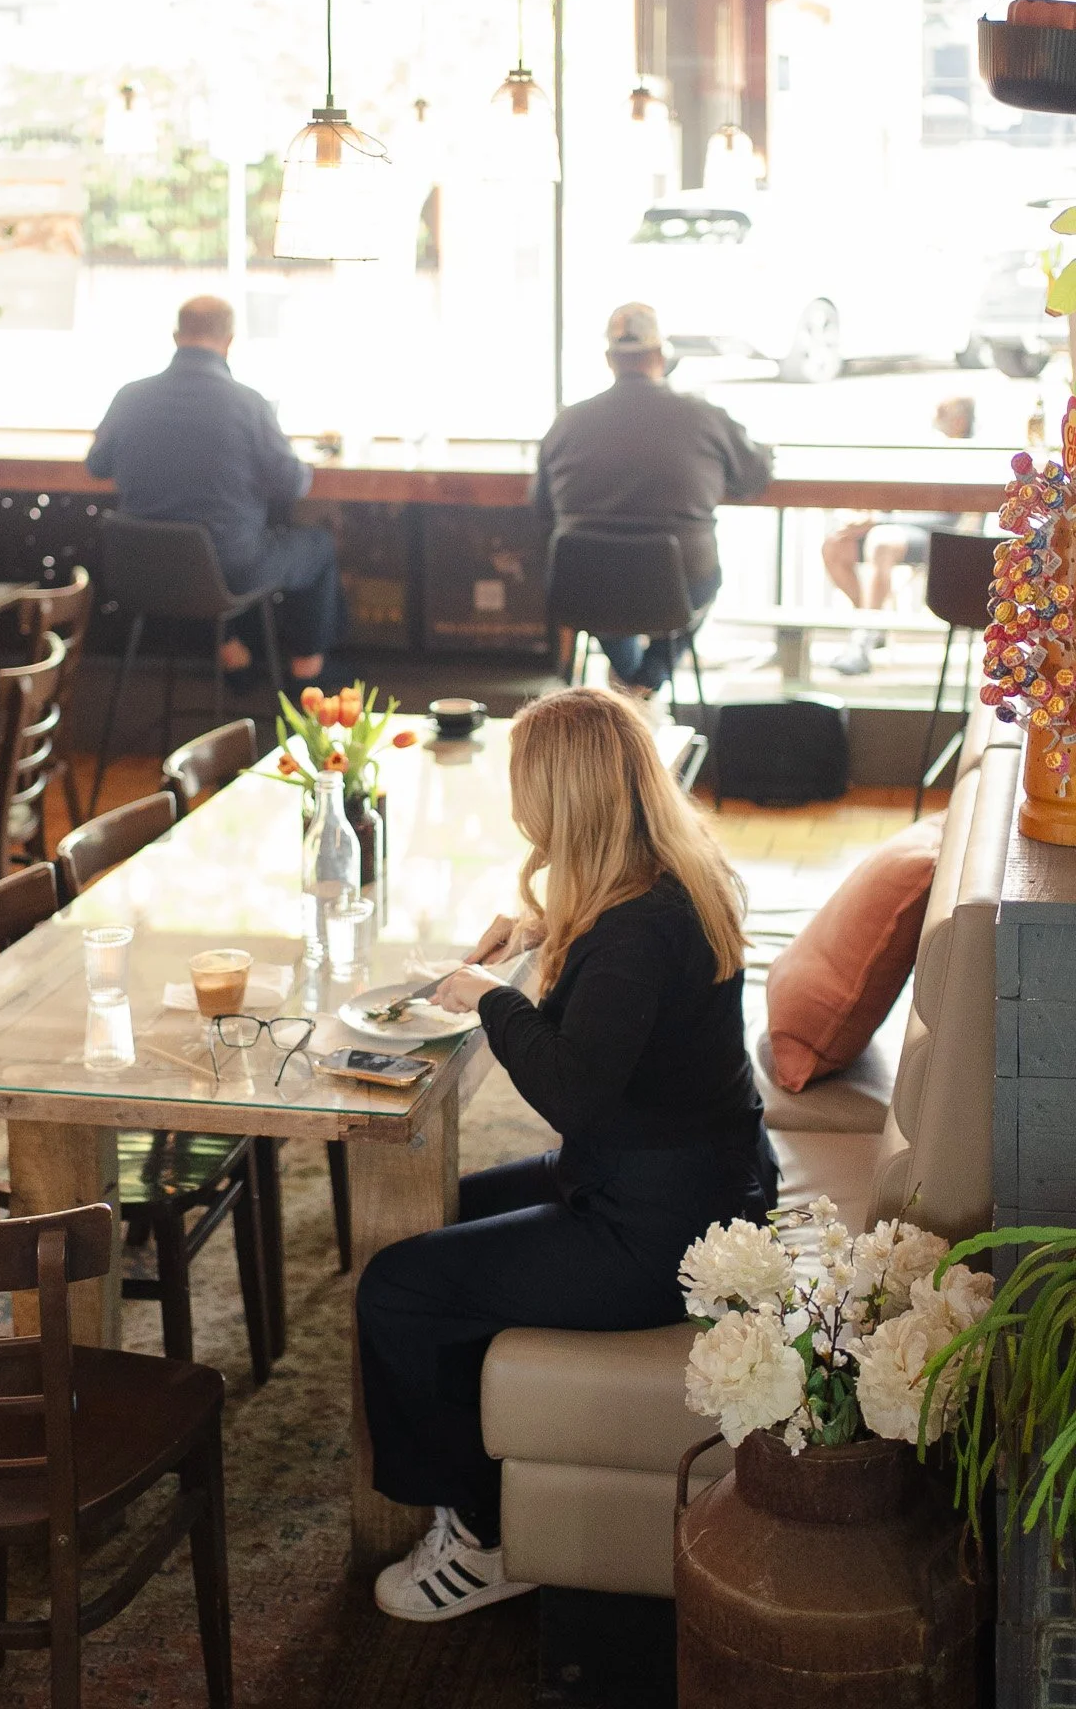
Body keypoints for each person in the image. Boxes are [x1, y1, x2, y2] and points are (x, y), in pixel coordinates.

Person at [357, 688, 776, 1623]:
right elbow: (629, 1018)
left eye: (526, 790)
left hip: (659, 1227)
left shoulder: (633, 931)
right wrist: (551, 929)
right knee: (441, 1218)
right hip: (688, 1173)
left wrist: (488, 997)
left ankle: (480, 1539)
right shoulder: (672, 873)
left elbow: (571, 1090)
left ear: (564, 799)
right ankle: (484, 1468)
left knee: (397, 1285)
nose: (518, 811)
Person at [86, 295, 345, 684]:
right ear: (229, 340)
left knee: (213, 541)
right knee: (316, 547)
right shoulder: (248, 403)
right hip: (228, 571)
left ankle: (233, 656)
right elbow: (292, 484)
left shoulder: (130, 396)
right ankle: (308, 672)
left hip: (142, 569)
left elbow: (96, 465)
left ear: (176, 337)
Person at [532, 303, 774, 697]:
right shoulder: (703, 415)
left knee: (603, 604)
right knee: (701, 586)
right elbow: (753, 476)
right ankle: (648, 676)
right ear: (661, 356)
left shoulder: (567, 422)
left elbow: (541, 508)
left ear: (610, 361)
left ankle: (631, 675)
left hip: (582, 584)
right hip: (681, 582)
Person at [821, 394, 977, 677]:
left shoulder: (969, 454)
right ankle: (870, 624)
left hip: (940, 536)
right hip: (898, 524)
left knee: (881, 542)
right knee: (835, 545)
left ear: (958, 421)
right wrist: (865, 515)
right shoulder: (930, 448)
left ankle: (863, 638)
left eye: (941, 410)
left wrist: (880, 519)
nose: (935, 416)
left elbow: (949, 517)